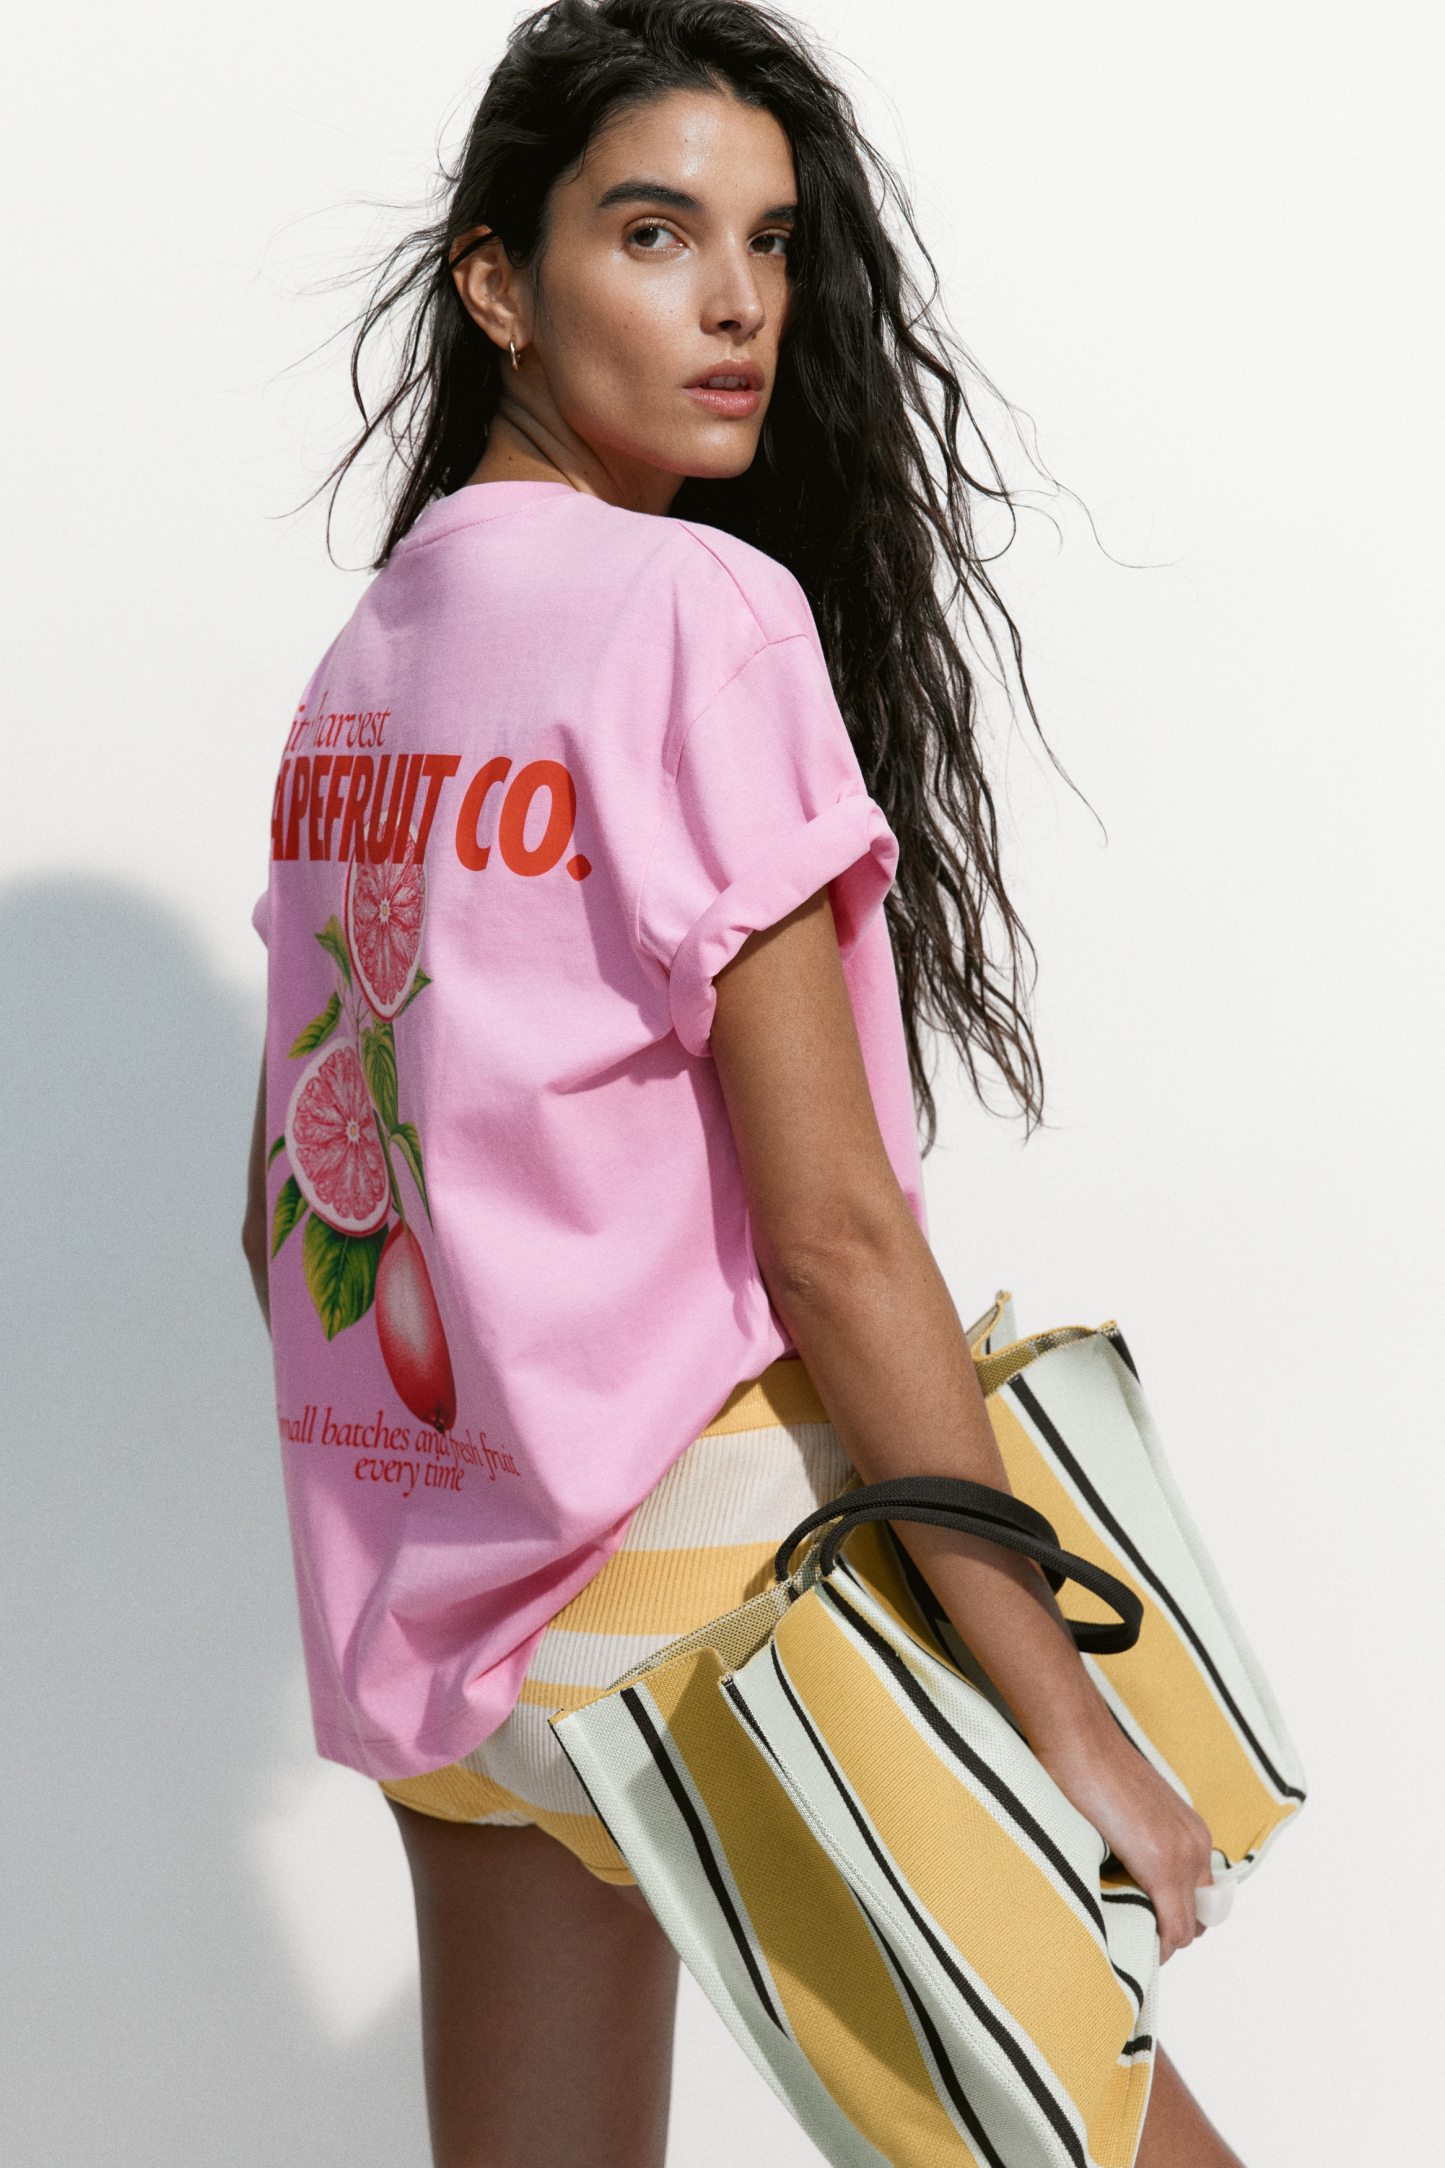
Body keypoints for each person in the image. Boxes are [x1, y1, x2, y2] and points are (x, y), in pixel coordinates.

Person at [242, 4, 1248, 2163]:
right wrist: (1061, 1715)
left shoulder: (366, 668)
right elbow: (837, 1234)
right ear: (497, 282)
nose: (737, 304)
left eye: (770, 242)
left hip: (436, 1620)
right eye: (652, 232)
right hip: (706, 1605)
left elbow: (285, 1212)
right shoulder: (699, 609)